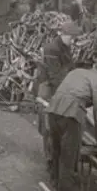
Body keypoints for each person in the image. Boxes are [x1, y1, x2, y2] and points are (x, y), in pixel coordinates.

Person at [45, 56, 97, 191]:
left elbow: (66, 92)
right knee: (68, 162)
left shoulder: (77, 72)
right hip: (71, 116)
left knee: (57, 155)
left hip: (53, 111)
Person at [36, 21, 80, 172]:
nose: (73, 41)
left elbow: (70, 67)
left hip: (61, 85)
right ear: (63, 34)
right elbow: (54, 76)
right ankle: (51, 160)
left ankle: (59, 156)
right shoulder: (51, 49)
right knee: (49, 124)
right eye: (71, 37)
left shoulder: (65, 46)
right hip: (48, 88)